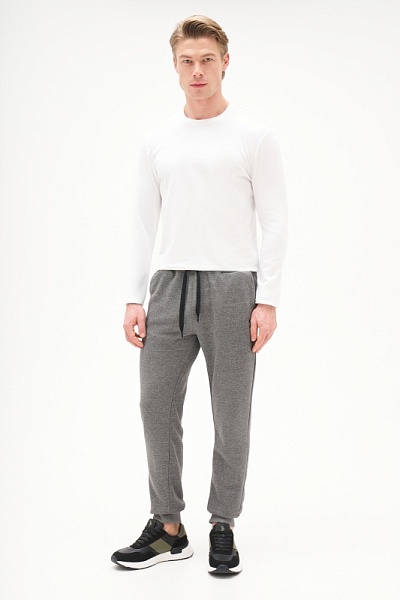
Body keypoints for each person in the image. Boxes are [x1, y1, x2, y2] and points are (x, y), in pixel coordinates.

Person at [111, 14, 288, 575]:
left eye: (207, 59)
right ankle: (168, 527)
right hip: (168, 286)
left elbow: (275, 221)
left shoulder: (254, 136)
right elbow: (143, 221)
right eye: (187, 61)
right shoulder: (158, 140)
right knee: (155, 406)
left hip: (234, 286)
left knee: (231, 412)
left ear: (225, 62)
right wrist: (133, 296)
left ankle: (223, 524)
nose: (197, 71)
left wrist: (268, 299)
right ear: (174, 65)